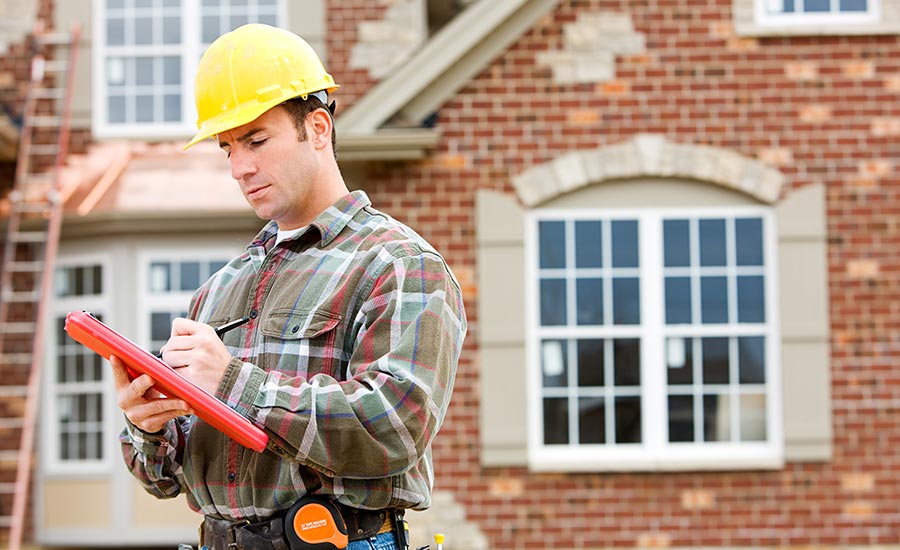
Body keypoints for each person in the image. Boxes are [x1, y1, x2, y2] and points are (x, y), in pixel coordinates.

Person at [110, 23, 466, 550]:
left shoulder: (398, 263)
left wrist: (232, 382)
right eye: (227, 147)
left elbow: (395, 425)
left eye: (256, 140)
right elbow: (164, 478)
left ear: (318, 128)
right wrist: (150, 426)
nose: (240, 167)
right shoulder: (220, 289)